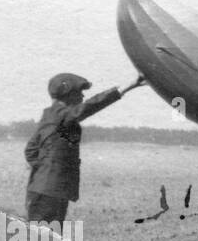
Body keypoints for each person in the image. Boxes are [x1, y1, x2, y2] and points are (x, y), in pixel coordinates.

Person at [24, 72, 147, 225]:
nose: (82, 97)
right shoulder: (60, 115)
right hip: (50, 193)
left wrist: (45, 170)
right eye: (79, 93)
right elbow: (91, 106)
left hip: (46, 191)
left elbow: (30, 150)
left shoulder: (49, 115)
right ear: (68, 95)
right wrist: (127, 87)